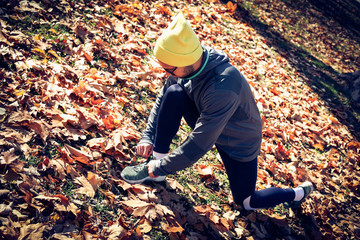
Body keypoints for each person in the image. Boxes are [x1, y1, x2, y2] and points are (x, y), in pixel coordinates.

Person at [121, 12, 313, 210]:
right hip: (206, 115)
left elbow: (198, 144)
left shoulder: (223, 87)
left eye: (170, 70)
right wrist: (147, 137)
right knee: (174, 92)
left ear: (187, 62)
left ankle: (297, 193)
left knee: (246, 202)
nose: (167, 74)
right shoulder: (187, 61)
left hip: (238, 141)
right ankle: (156, 172)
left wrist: (163, 165)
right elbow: (164, 98)